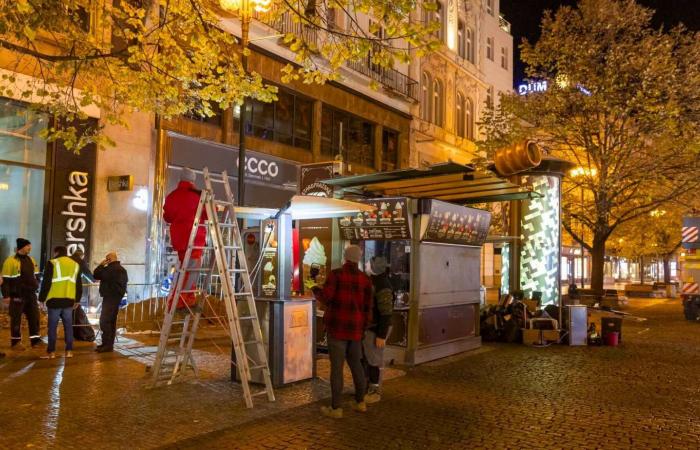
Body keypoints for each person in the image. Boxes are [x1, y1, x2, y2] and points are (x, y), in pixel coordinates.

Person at [314, 245, 373, 419]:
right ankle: (360, 402)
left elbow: (326, 297)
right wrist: (362, 329)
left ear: (345, 257)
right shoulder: (365, 280)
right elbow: (368, 309)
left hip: (337, 329)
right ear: (358, 258)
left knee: (337, 368)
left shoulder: (336, 275)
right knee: (356, 365)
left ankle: (336, 408)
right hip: (355, 331)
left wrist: (315, 288)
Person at [163, 167, 207, 308]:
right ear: (193, 180)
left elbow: (167, 217)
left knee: (186, 269)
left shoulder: (172, 196)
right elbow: (207, 215)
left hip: (180, 240)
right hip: (195, 239)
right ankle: (182, 301)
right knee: (192, 270)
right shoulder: (198, 196)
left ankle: (185, 298)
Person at [38, 246, 82, 359]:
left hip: (54, 300)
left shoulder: (52, 263)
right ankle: (69, 351)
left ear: (56, 252)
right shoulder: (75, 264)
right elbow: (78, 284)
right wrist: (77, 299)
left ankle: (51, 352)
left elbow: (46, 282)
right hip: (68, 301)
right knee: (68, 326)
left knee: (52, 326)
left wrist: (41, 298)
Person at [363, 256, 394, 404]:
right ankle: (367, 386)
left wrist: (381, 335)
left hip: (376, 329)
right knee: (369, 358)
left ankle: (374, 389)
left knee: (374, 359)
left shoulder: (382, 285)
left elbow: (386, 312)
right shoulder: (375, 282)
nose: (366, 265)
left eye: (369, 263)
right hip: (372, 327)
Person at [1, 238, 42, 351]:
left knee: (34, 317)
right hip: (17, 295)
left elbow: (37, 276)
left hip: (31, 295)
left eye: (30, 245)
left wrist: (36, 285)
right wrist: (6, 296)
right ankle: (15, 342)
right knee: (16, 319)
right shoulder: (10, 261)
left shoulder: (32, 260)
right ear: (21, 247)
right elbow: (5, 280)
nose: (30, 248)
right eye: (28, 246)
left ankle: (35, 340)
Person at [93, 251, 128, 353]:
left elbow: (96, 275)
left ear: (109, 259)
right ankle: (108, 345)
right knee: (111, 322)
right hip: (116, 298)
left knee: (105, 321)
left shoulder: (110, 269)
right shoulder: (122, 269)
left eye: (107, 259)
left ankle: (106, 345)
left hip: (109, 298)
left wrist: (101, 265)